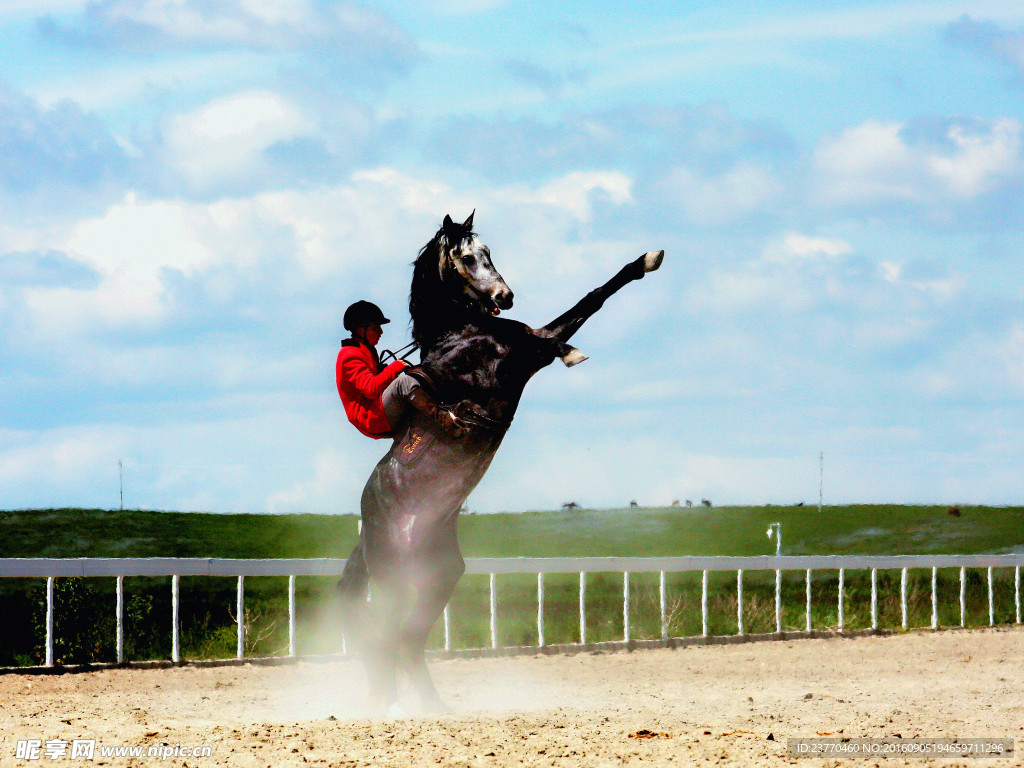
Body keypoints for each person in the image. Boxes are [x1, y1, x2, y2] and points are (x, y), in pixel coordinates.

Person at [336, 300, 467, 439]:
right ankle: (446, 421)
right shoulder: (349, 355)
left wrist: (385, 371)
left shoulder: (366, 350)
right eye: (375, 328)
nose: (380, 331)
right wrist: (395, 367)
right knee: (403, 383)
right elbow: (371, 389)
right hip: (371, 418)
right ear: (361, 330)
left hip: (376, 409)